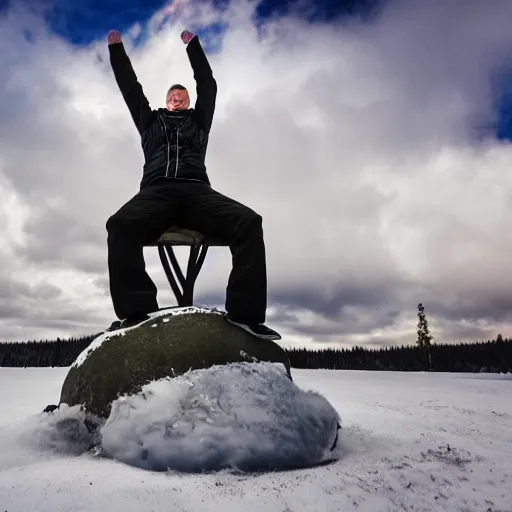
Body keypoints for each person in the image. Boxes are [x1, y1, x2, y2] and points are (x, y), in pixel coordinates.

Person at [105, 28, 280, 341]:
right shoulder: (150, 121)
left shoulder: (199, 122)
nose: (176, 100)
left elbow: (208, 84)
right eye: (172, 97)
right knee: (120, 224)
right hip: (156, 192)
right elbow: (130, 88)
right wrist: (117, 51)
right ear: (166, 102)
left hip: (197, 191)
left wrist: (193, 46)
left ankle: (246, 316)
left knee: (249, 222)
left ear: (187, 102)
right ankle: (135, 313)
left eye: (181, 97)